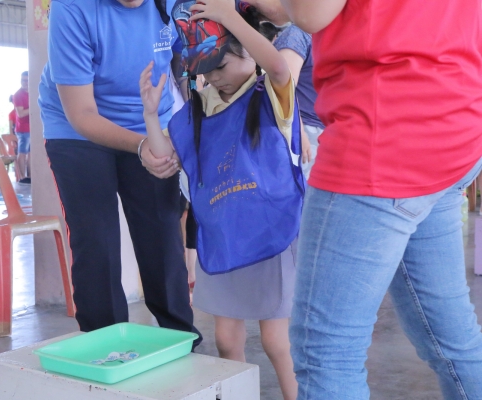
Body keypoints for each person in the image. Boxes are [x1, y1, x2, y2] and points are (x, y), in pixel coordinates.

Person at [277, 0, 482, 398]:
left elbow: (309, 12)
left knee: (327, 355)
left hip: (384, 140)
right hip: (452, 123)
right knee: (452, 339)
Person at [141, 1, 303, 398]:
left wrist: (230, 18)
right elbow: (164, 156)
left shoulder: (272, 95)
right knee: (227, 340)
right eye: (205, 72)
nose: (215, 78)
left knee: (277, 341)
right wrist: (149, 115)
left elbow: (280, 67)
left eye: (221, 65)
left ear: (247, 50)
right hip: (223, 236)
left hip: (272, 236)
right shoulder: (201, 110)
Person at [38, 0, 202, 346]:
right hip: (76, 128)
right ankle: (104, 345)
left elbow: (185, 60)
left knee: (161, 232)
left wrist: (180, 131)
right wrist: (142, 146)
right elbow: (81, 113)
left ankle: (180, 338)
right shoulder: (72, 8)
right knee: (97, 239)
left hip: (150, 117)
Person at [274, 22, 323, 179]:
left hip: (332, 132)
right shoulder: (297, 34)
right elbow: (282, 88)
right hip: (304, 130)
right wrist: (298, 132)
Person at [13, 71, 31, 184]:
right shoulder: (18, 94)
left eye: (26, 80)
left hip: (33, 127)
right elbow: (20, 113)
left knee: (31, 153)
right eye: (23, 80)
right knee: (22, 152)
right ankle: (22, 177)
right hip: (23, 128)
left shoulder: (34, 92)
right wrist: (34, 106)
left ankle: (30, 175)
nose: (24, 83)